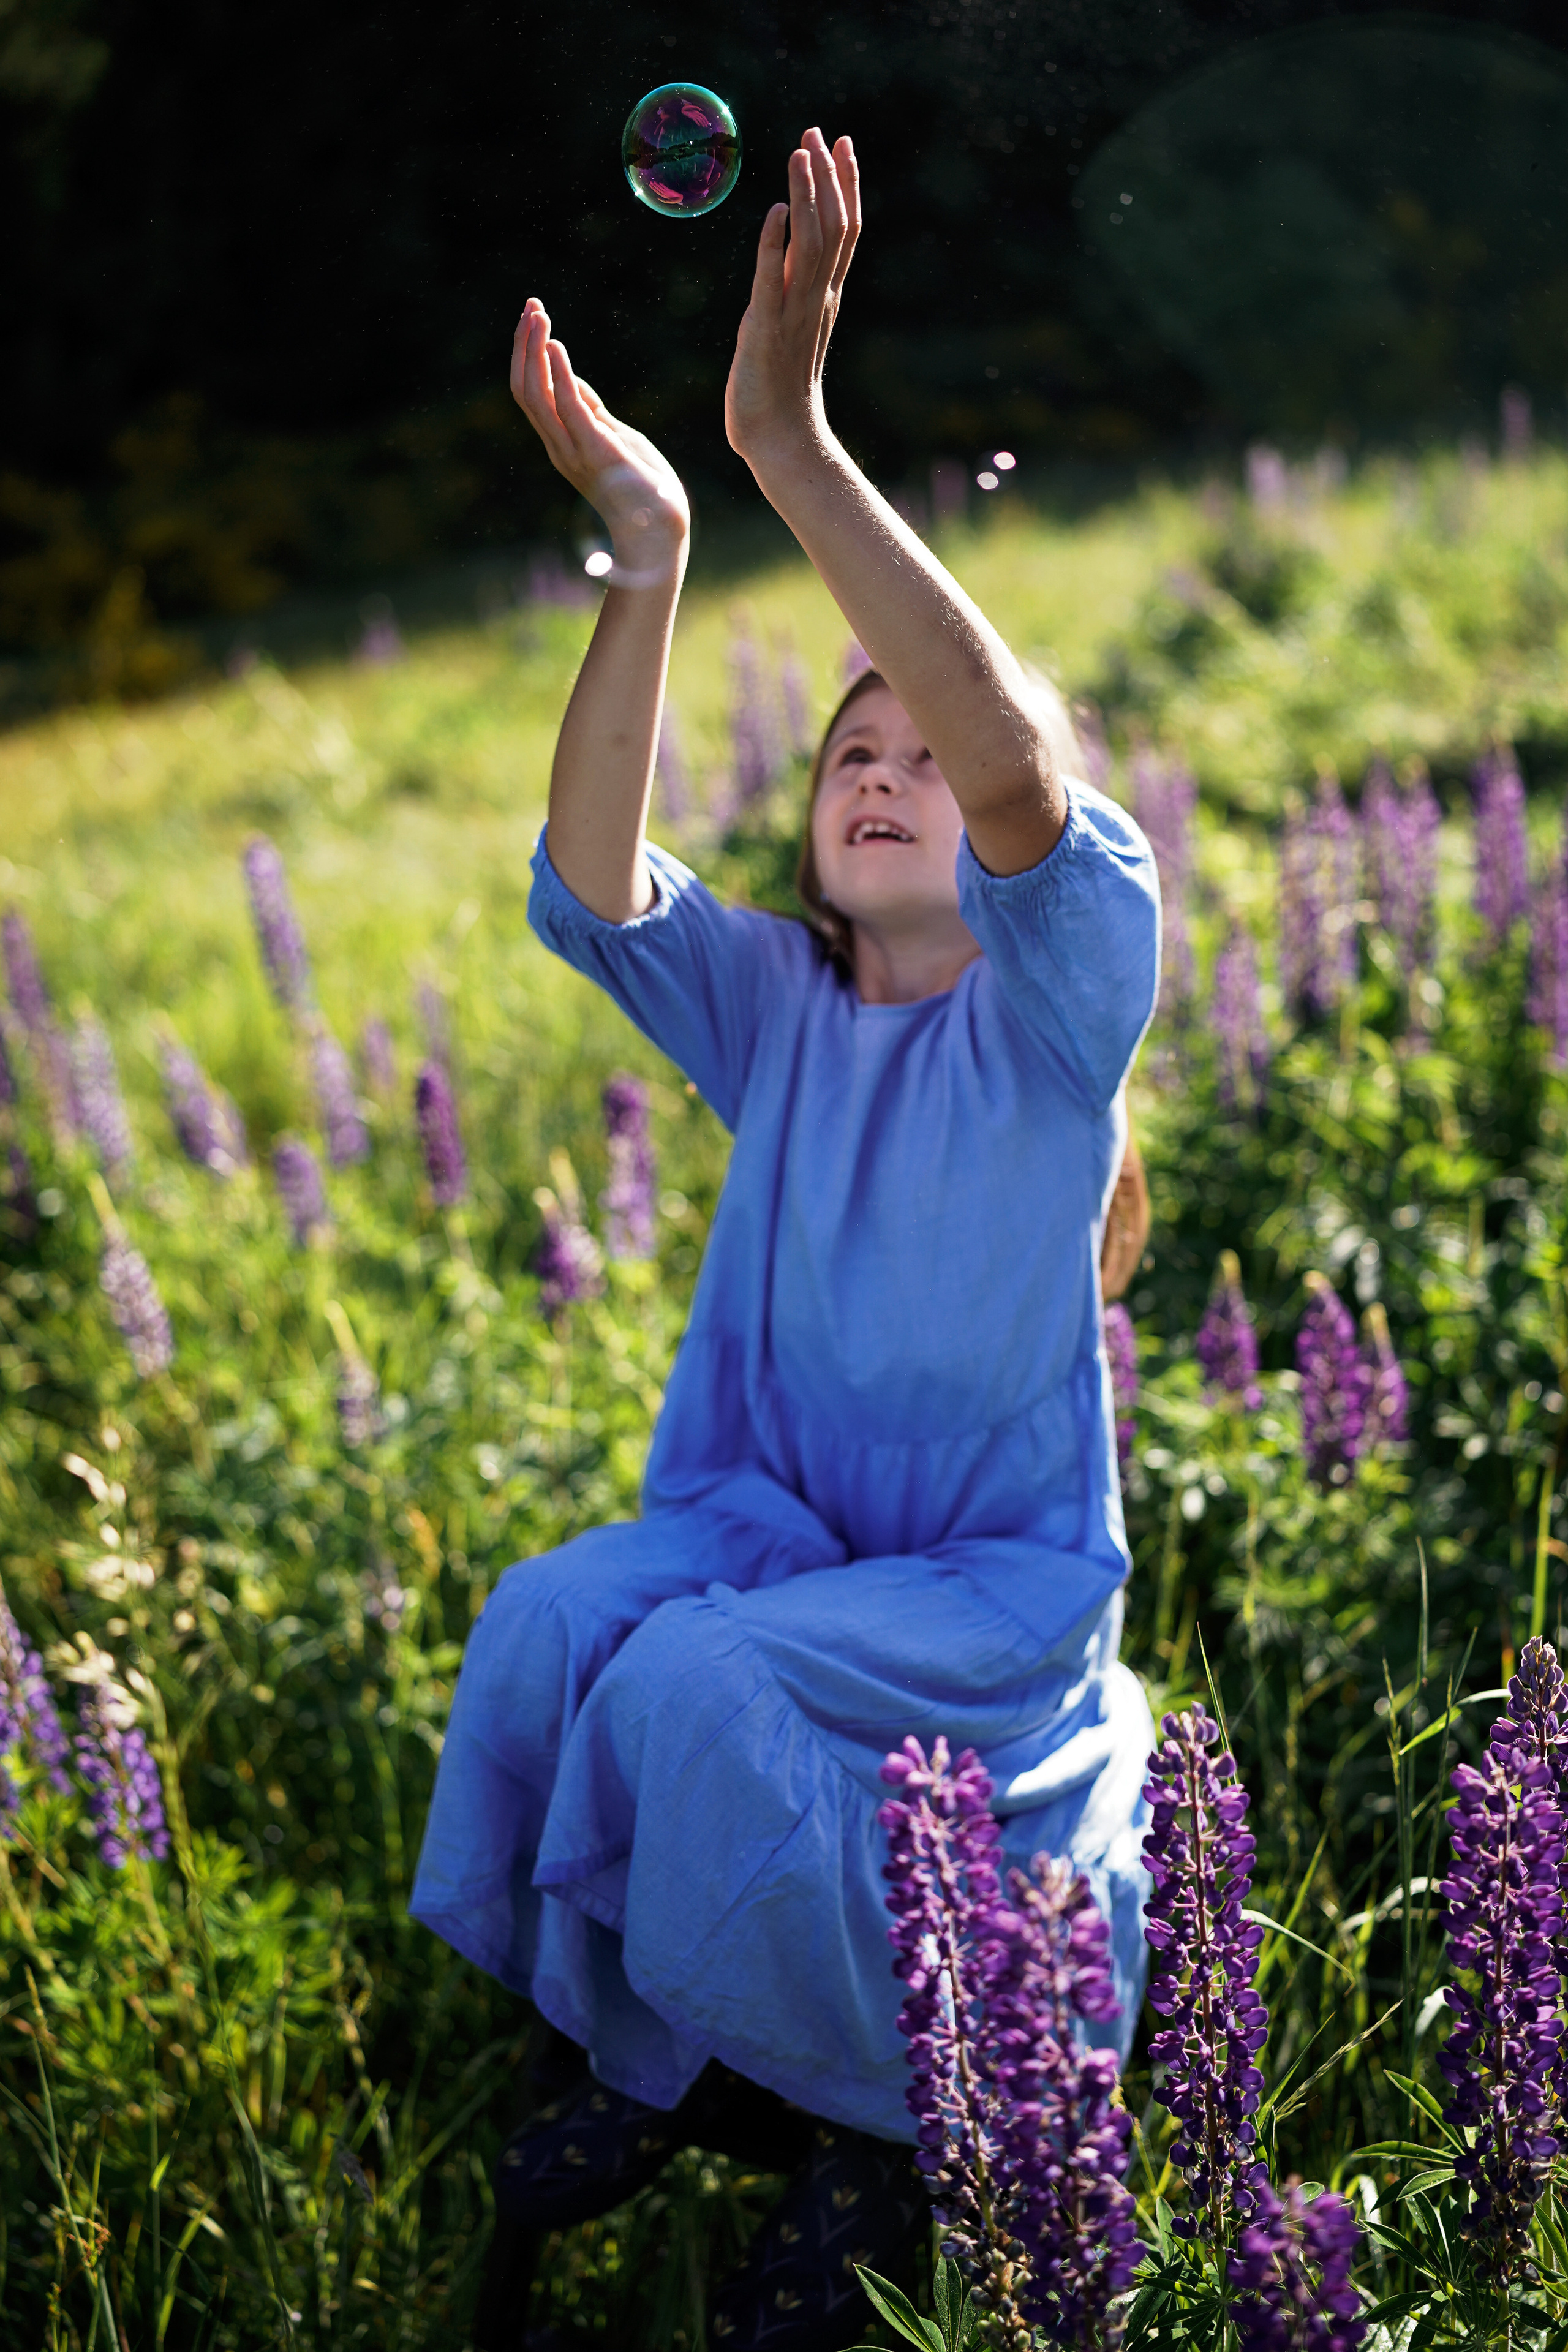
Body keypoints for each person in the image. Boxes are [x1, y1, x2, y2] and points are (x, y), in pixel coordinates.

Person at [411, 126, 1159, 2352]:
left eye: (914, 736)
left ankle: (894, 2127)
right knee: (555, 1630)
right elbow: (594, 872)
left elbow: (1021, 771)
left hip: (985, 1596)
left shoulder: (1052, 1020)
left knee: (700, 1683)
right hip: (777, 1522)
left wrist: (789, 443)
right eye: (844, 740)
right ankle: (662, 2053)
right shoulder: (783, 1011)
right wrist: (650, 555)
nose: (881, 756)